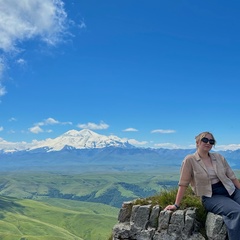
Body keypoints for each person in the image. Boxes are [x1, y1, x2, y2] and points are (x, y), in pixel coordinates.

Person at [164, 131, 240, 240]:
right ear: (197, 142)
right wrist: (176, 205)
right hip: (212, 196)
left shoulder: (219, 157)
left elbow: (232, 177)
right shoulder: (190, 160)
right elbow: (183, 184)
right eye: (205, 140)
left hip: (230, 190)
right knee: (237, 212)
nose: (208, 143)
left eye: (211, 141)